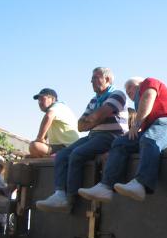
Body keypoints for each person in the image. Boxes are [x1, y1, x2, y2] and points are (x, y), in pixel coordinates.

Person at [78, 77, 167, 203]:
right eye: (126, 91)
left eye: (130, 87)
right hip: (156, 127)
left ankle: (141, 184)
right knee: (120, 143)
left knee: (149, 139)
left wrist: (136, 125)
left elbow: (148, 97)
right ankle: (106, 186)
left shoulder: (149, 82)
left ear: (139, 84)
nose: (127, 92)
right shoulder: (143, 112)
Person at [36, 67, 128, 212]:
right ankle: (59, 194)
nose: (91, 81)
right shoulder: (94, 100)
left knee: (77, 154)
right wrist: (94, 119)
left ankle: (70, 198)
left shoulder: (117, 94)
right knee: (62, 155)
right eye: (91, 78)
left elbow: (99, 115)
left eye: (95, 78)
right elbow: (80, 125)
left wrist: (93, 119)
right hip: (93, 136)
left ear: (107, 79)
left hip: (111, 136)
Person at [29, 88, 79, 157]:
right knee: (35, 147)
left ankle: (52, 156)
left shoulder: (58, 106)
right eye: (39, 100)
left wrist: (39, 138)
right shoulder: (55, 113)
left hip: (68, 146)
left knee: (34, 145)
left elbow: (48, 116)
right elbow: (44, 135)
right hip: (60, 147)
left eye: (42, 99)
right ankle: (49, 156)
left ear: (53, 99)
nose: (40, 102)